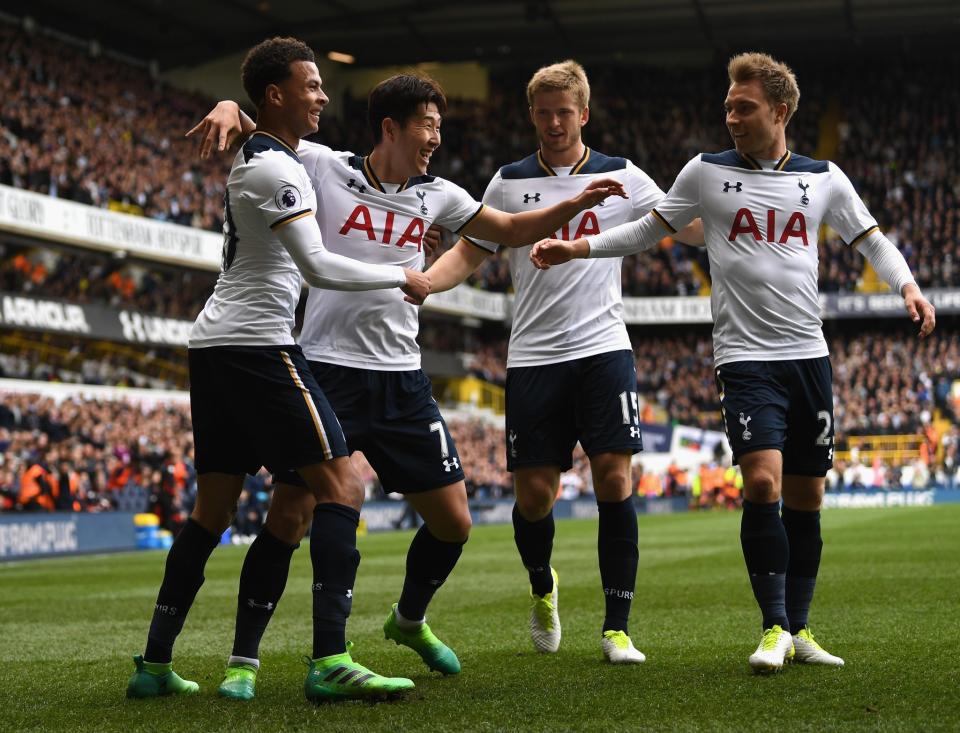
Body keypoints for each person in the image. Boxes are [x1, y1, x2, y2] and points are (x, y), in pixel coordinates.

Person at [190, 73, 627, 698]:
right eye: (428, 125)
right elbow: (265, 138)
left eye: (440, 127)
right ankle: (244, 661)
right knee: (290, 515)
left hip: (402, 379)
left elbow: (503, 229)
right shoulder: (321, 165)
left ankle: (409, 619)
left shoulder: (440, 194)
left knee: (454, 522)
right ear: (390, 127)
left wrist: (573, 207)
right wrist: (233, 103)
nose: (436, 138)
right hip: (328, 368)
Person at [530, 52, 936, 673]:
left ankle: (799, 629)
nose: (730, 117)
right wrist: (578, 247)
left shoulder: (824, 177)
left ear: (780, 110)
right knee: (764, 482)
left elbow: (870, 239)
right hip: (744, 358)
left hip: (810, 356)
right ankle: (772, 625)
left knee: (806, 498)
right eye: (727, 106)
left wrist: (906, 286)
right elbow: (647, 230)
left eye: (743, 107)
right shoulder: (705, 172)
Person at [126, 37, 432, 703]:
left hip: (215, 346)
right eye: (312, 84)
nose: (323, 95)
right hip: (258, 347)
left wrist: (233, 107)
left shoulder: (270, 158)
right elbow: (319, 266)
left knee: (210, 512)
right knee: (342, 482)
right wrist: (400, 275)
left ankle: (153, 663)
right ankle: (330, 658)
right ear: (277, 94)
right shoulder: (278, 170)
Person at [424, 60, 702, 663]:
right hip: (534, 356)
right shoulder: (507, 183)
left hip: (604, 348)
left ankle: (617, 628)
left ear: (584, 113)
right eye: (543, 112)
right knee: (535, 499)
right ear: (532, 115)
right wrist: (426, 281)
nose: (554, 122)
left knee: (614, 479)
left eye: (564, 112)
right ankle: (542, 585)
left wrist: (748, 224)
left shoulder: (622, 174)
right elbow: (471, 252)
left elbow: (685, 226)